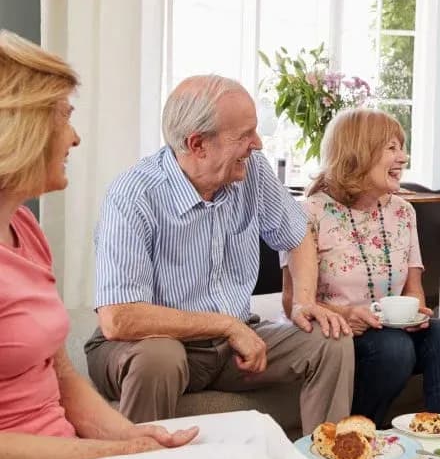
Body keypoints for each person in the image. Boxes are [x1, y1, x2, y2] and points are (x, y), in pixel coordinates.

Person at [0, 30, 306, 459]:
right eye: (63, 116)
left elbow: (60, 374)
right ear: (18, 129)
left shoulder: (23, 231)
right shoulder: (135, 192)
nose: (75, 138)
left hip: (62, 448)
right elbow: (118, 320)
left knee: (259, 437)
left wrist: (135, 435)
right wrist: (109, 454)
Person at [85, 73, 354, 435]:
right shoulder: (133, 195)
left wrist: (304, 302)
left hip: (230, 344)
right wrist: (226, 324)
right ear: (198, 145)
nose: (257, 144)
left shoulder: (252, 171)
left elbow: (298, 233)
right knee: (160, 358)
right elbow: (118, 319)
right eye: (245, 135)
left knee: (329, 339)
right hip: (146, 346)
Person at [281, 108, 440, 427]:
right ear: (359, 152)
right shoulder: (309, 213)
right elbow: (293, 303)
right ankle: (357, 438)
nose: (403, 157)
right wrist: (346, 316)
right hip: (342, 331)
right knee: (393, 349)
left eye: (402, 147)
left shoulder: (403, 212)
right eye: (392, 148)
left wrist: (417, 313)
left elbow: (413, 289)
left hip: (390, 328)